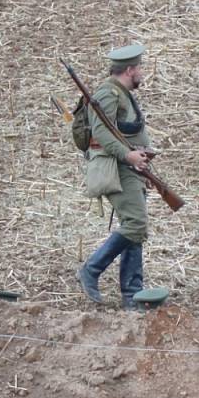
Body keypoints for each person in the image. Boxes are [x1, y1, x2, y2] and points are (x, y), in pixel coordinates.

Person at [76, 44, 153, 310]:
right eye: (139, 68)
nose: (142, 72)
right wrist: (129, 155)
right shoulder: (108, 94)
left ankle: (132, 295)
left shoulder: (122, 93)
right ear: (130, 69)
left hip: (130, 169)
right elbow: (101, 132)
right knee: (136, 223)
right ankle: (91, 270)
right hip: (117, 168)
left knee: (136, 228)